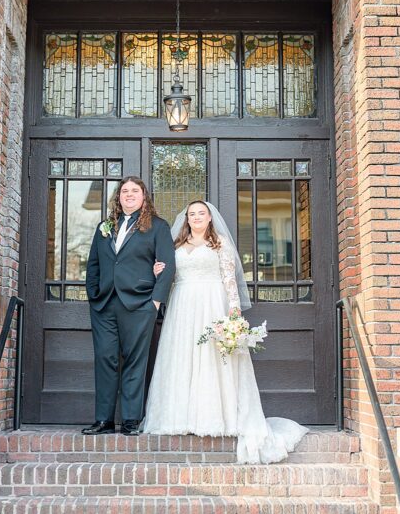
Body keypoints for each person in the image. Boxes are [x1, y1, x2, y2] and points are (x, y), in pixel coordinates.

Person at [142, 200, 308, 463]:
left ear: (210, 218)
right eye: (191, 214)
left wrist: (233, 311)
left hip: (212, 303)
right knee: (182, 357)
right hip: (183, 307)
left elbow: (229, 279)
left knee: (212, 359)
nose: (196, 217)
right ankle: (179, 417)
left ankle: (215, 418)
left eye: (201, 213)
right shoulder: (176, 245)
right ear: (186, 219)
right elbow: (169, 276)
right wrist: (157, 271)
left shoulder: (220, 242)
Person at [83, 176, 176, 435]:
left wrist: (155, 302)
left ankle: (131, 420)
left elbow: (167, 265)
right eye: (125, 191)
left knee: (135, 361)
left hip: (140, 303)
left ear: (144, 197)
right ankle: (104, 420)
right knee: (105, 359)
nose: (130, 194)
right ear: (119, 197)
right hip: (104, 305)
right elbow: (93, 265)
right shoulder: (104, 227)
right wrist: (94, 295)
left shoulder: (157, 226)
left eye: (135, 191)